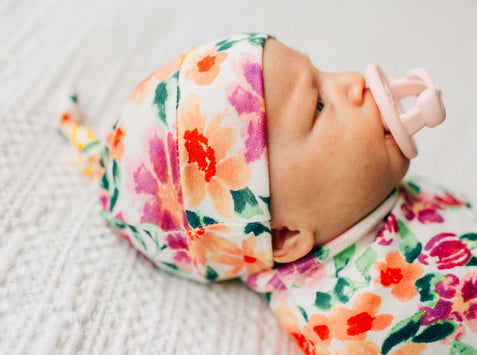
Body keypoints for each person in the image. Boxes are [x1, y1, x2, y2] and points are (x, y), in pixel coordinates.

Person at [57, 33, 477, 354]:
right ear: (283, 237)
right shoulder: (365, 321)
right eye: (318, 105)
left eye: (323, 73)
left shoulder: (366, 198)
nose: (352, 81)